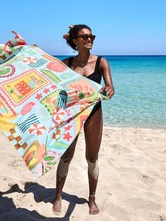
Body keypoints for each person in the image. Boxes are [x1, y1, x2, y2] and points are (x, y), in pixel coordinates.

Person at [52, 24, 114, 215]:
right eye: (85, 37)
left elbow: (110, 88)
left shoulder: (101, 62)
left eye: (92, 37)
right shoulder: (65, 64)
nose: (90, 40)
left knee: (92, 157)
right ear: (75, 40)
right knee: (66, 156)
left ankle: (92, 198)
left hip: (94, 112)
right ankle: (58, 196)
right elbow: (50, 85)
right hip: (72, 114)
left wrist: (108, 90)